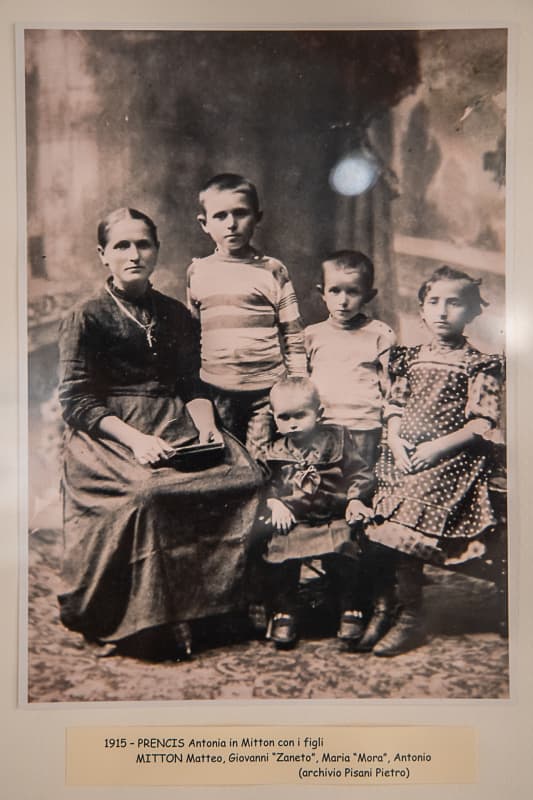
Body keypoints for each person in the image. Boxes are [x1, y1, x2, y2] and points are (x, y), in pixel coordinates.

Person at [57, 207, 263, 659]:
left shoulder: (174, 313)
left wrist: (207, 427)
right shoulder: (86, 316)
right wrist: (136, 441)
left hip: (175, 418)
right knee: (148, 493)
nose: (134, 254)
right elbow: (77, 401)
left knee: (244, 477)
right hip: (109, 434)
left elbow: (190, 384)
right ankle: (145, 622)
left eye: (143, 244)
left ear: (156, 250)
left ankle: (215, 611)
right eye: (121, 246)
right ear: (103, 254)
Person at [365, 265, 504, 656]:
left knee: (404, 522)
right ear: (422, 310)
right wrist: (395, 441)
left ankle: (411, 618)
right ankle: (383, 607)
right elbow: (394, 405)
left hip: (451, 461)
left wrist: (437, 448)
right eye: (434, 302)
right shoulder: (409, 358)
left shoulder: (479, 364)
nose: (442, 311)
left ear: (472, 312)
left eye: (454, 303)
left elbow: (482, 422)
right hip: (402, 455)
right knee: (371, 515)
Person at [305, 250, 397, 650]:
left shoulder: (380, 334)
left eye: (353, 292)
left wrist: (391, 430)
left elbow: (391, 388)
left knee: (359, 513)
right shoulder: (312, 336)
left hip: (365, 434)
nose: (343, 300)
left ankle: (357, 600)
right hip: (324, 437)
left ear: (369, 295)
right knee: (327, 511)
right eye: (335, 291)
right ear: (321, 292)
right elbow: (302, 387)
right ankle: (333, 590)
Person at [187, 173, 307, 459]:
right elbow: (193, 332)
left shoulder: (273, 270)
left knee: (260, 459)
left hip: (265, 390)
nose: (231, 223)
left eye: (240, 213)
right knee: (226, 459)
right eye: (220, 216)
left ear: (257, 217)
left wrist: (297, 382)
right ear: (204, 223)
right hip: (217, 388)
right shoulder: (198, 272)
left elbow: (293, 332)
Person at [260, 377, 375, 649]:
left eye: (301, 415)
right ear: (273, 417)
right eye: (284, 417)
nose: (293, 424)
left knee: (346, 542)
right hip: (295, 520)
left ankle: (349, 606)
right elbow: (265, 484)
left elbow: (359, 472)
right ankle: (285, 611)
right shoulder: (274, 451)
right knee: (278, 547)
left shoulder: (337, 440)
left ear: (319, 413)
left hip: (333, 515)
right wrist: (275, 503)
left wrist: (355, 500)